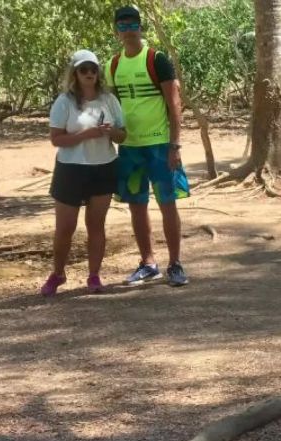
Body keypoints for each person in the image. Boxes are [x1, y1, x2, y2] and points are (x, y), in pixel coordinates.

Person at [109, 6, 189, 286]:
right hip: (130, 149)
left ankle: (175, 264)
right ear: (116, 30)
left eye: (133, 24)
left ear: (140, 27)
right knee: (136, 205)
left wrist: (175, 146)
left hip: (160, 146)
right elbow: (112, 105)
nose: (128, 29)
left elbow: (174, 104)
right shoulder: (114, 65)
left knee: (168, 204)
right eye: (123, 25)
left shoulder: (157, 60)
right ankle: (148, 262)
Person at [40, 50, 127, 296]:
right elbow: (56, 140)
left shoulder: (109, 100)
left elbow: (123, 134)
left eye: (93, 69)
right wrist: (85, 135)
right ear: (75, 73)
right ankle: (58, 274)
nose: (89, 74)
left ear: (98, 72)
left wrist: (111, 132)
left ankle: (94, 275)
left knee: (96, 225)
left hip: (103, 167)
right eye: (83, 69)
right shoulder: (64, 101)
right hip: (71, 170)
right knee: (65, 227)